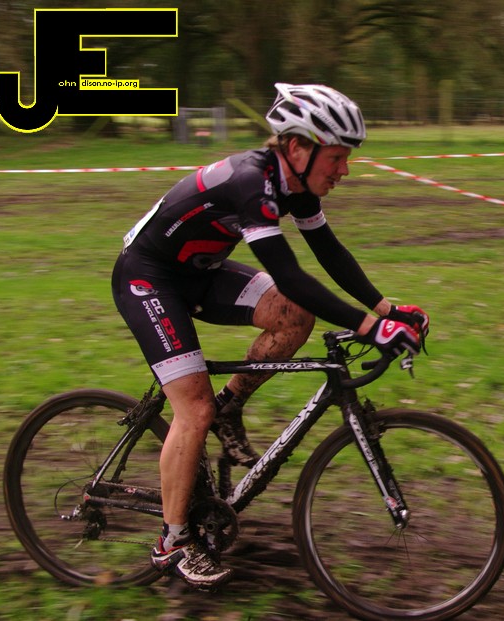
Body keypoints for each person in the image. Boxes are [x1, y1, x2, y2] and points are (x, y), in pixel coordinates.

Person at [111, 83, 429, 589]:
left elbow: (327, 251)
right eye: (338, 157)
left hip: (200, 271)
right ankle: (172, 544)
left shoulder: (295, 185)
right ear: (298, 147)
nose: (344, 170)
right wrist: (372, 328)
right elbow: (290, 275)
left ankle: (231, 405)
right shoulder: (251, 183)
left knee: (295, 317)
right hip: (149, 278)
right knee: (193, 409)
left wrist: (387, 309)